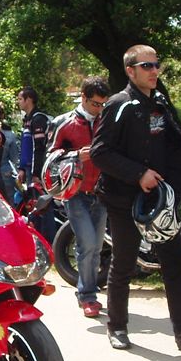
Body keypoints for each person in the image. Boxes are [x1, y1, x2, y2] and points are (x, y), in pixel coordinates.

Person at [91, 45, 181, 351]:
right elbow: (100, 152)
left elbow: (175, 144)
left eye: (156, 64)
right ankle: (117, 327)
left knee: (174, 261)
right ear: (130, 71)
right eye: (146, 66)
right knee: (124, 263)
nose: (154, 70)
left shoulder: (160, 101)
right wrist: (138, 174)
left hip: (160, 201)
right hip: (124, 199)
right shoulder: (119, 104)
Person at [48, 78, 110, 318]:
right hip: (75, 193)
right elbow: (50, 158)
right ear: (83, 97)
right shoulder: (64, 123)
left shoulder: (106, 121)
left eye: (103, 104)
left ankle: (87, 292)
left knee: (96, 247)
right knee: (88, 244)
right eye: (95, 104)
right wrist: (76, 156)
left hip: (101, 192)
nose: (99, 109)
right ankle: (87, 296)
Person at [17, 86, 56, 240]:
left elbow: (38, 149)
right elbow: (26, 148)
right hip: (29, 170)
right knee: (33, 207)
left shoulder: (38, 119)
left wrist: (36, 174)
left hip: (38, 172)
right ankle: (37, 240)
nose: (18, 102)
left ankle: (48, 242)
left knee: (43, 208)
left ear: (29, 100)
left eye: (20, 98)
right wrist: (22, 168)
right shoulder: (28, 120)